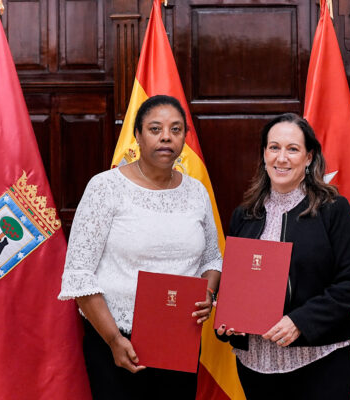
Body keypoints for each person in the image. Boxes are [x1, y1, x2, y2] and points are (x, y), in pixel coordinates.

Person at [58, 95, 222, 399]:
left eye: (175, 130)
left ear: (185, 137)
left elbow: (212, 257)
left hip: (179, 339)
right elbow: (79, 275)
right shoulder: (105, 188)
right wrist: (113, 340)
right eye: (155, 128)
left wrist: (208, 294)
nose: (165, 137)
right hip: (118, 342)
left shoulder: (196, 191)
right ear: (138, 135)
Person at [216, 113, 350, 399]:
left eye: (292, 149)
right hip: (256, 367)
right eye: (274, 147)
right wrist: (228, 322)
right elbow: (234, 285)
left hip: (321, 362)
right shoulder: (245, 215)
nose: (281, 158)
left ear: (309, 157)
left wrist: (300, 321)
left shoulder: (333, 210)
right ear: (264, 154)